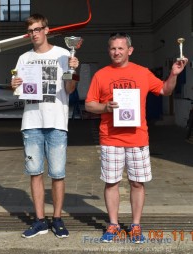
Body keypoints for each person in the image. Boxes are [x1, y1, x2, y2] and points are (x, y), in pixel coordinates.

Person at [85, 32, 188, 244]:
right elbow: (89, 104)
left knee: (137, 184)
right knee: (111, 183)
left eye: (121, 48)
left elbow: (164, 90)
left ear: (130, 50)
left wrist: (174, 74)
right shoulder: (101, 75)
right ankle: (113, 224)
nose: (116, 52)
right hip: (110, 138)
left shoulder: (142, 73)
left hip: (137, 138)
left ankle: (135, 225)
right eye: (113, 48)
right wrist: (105, 107)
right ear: (109, 50)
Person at [11, 13, 79, 239]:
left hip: (57, 122)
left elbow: (69, 89)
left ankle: (57, 219)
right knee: (35, 173)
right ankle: (40, 221)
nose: (34, 34)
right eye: (30, 31)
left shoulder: (63, 55)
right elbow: (19, 90)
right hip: (31, 123)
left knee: (58, 174)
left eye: (38, 29)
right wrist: (15, 84)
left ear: (47, 30)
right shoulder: (23, 58)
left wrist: (74, 70)